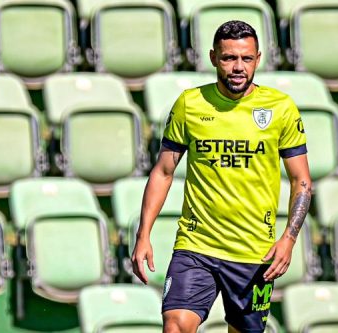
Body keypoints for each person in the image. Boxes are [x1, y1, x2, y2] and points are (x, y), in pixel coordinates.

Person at [131, 20, 311, 333]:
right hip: (196, 245)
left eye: (245, 58)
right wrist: (143, 233)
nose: (238, 67)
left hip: (254, 251)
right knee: (175, 326)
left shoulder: (280, 108)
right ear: (214, 58)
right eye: (229, 58)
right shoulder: (190, 104)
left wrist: (289, 239)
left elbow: (302, 182)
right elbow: (163, 171)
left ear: (258, 59)